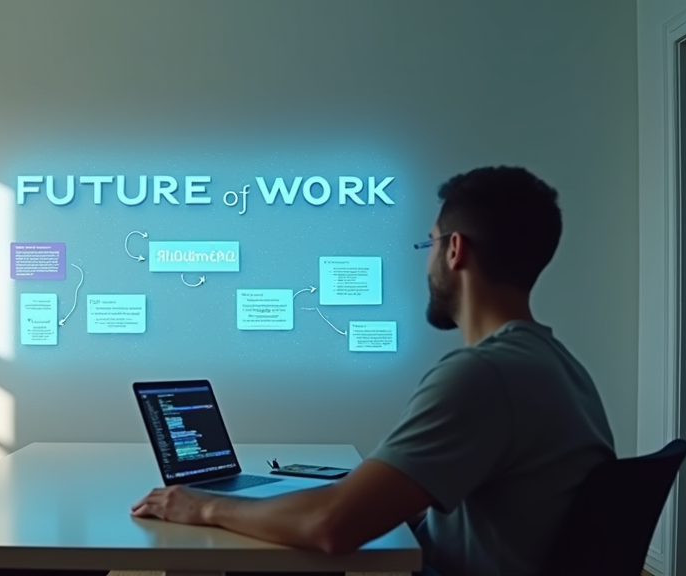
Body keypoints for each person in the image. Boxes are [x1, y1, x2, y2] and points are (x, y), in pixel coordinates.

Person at [130, 166, 617, 576]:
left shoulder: (484, 375)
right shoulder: (556, 366)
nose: (427, 264)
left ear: (455, 249)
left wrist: (202, 505)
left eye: (427, 245)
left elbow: (332, 527)